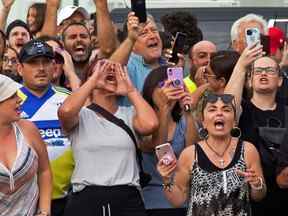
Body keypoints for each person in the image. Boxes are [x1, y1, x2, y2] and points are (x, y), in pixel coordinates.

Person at [58, 59, 158, 216]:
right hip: (87, 198)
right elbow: (66, 111)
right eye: (103, 68)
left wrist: (131, 91)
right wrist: (93, 81)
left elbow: (151, 124)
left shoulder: (129, 113)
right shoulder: (81, 115)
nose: (110, 71)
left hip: (127, 197)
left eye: (115, 69)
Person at [157, 92, 266, 215]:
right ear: (203, 121)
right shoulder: (190, 154)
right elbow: (178, 201)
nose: (219, 113)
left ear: (235, 121)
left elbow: (259, 196)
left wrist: (257, 184)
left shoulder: (248, 150)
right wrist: (166, 179)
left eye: (226, 110)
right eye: (212, 109)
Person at [225, 44, 288, 215]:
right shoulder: (242, 108)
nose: (264, 74)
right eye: (258, 71)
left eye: (269, 70)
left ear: (280, 80)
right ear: (249, 80)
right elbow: (226, 110)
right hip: (249, 195)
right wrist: (241, 66)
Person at [17, 39, 74, 216]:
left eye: (46, 62)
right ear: (20, 69)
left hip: (69, 199)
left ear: (54, 66)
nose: (41, 68)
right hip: (23, 201)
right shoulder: (9, 101)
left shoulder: (69, 99)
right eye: (33, 63)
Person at [141, 65, 197, 216]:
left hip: (185, 201)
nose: (168, 89)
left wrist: (188, 111)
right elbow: (158, 148)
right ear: (150, 89)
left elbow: (192, 152)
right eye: (162, 85)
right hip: (154, 202)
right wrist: (163, 109)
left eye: (173, 83)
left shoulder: (184, 121)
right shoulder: (143, 121)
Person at [0, 74, 52, 216]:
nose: (20, 100)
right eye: (12, 96)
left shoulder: (28, 129)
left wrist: (45, 211)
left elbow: (44, 171)